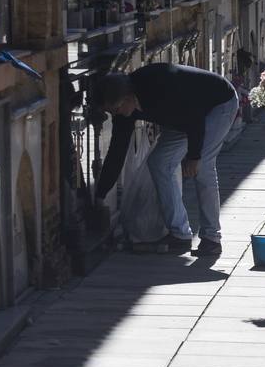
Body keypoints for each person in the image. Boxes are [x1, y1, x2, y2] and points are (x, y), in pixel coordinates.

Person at [97, 63, 238, 257]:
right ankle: (180, 235)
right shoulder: (125, 110)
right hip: (183, 117)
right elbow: (117, 151)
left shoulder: (159, 85)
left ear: (128, 97)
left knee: (203, 166)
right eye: (111, 112)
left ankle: (211, 238)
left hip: (218, 104)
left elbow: (194, 115)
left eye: (116, 109)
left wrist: (194, 156)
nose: (116, 114)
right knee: (159, 162)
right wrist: (100, 193)